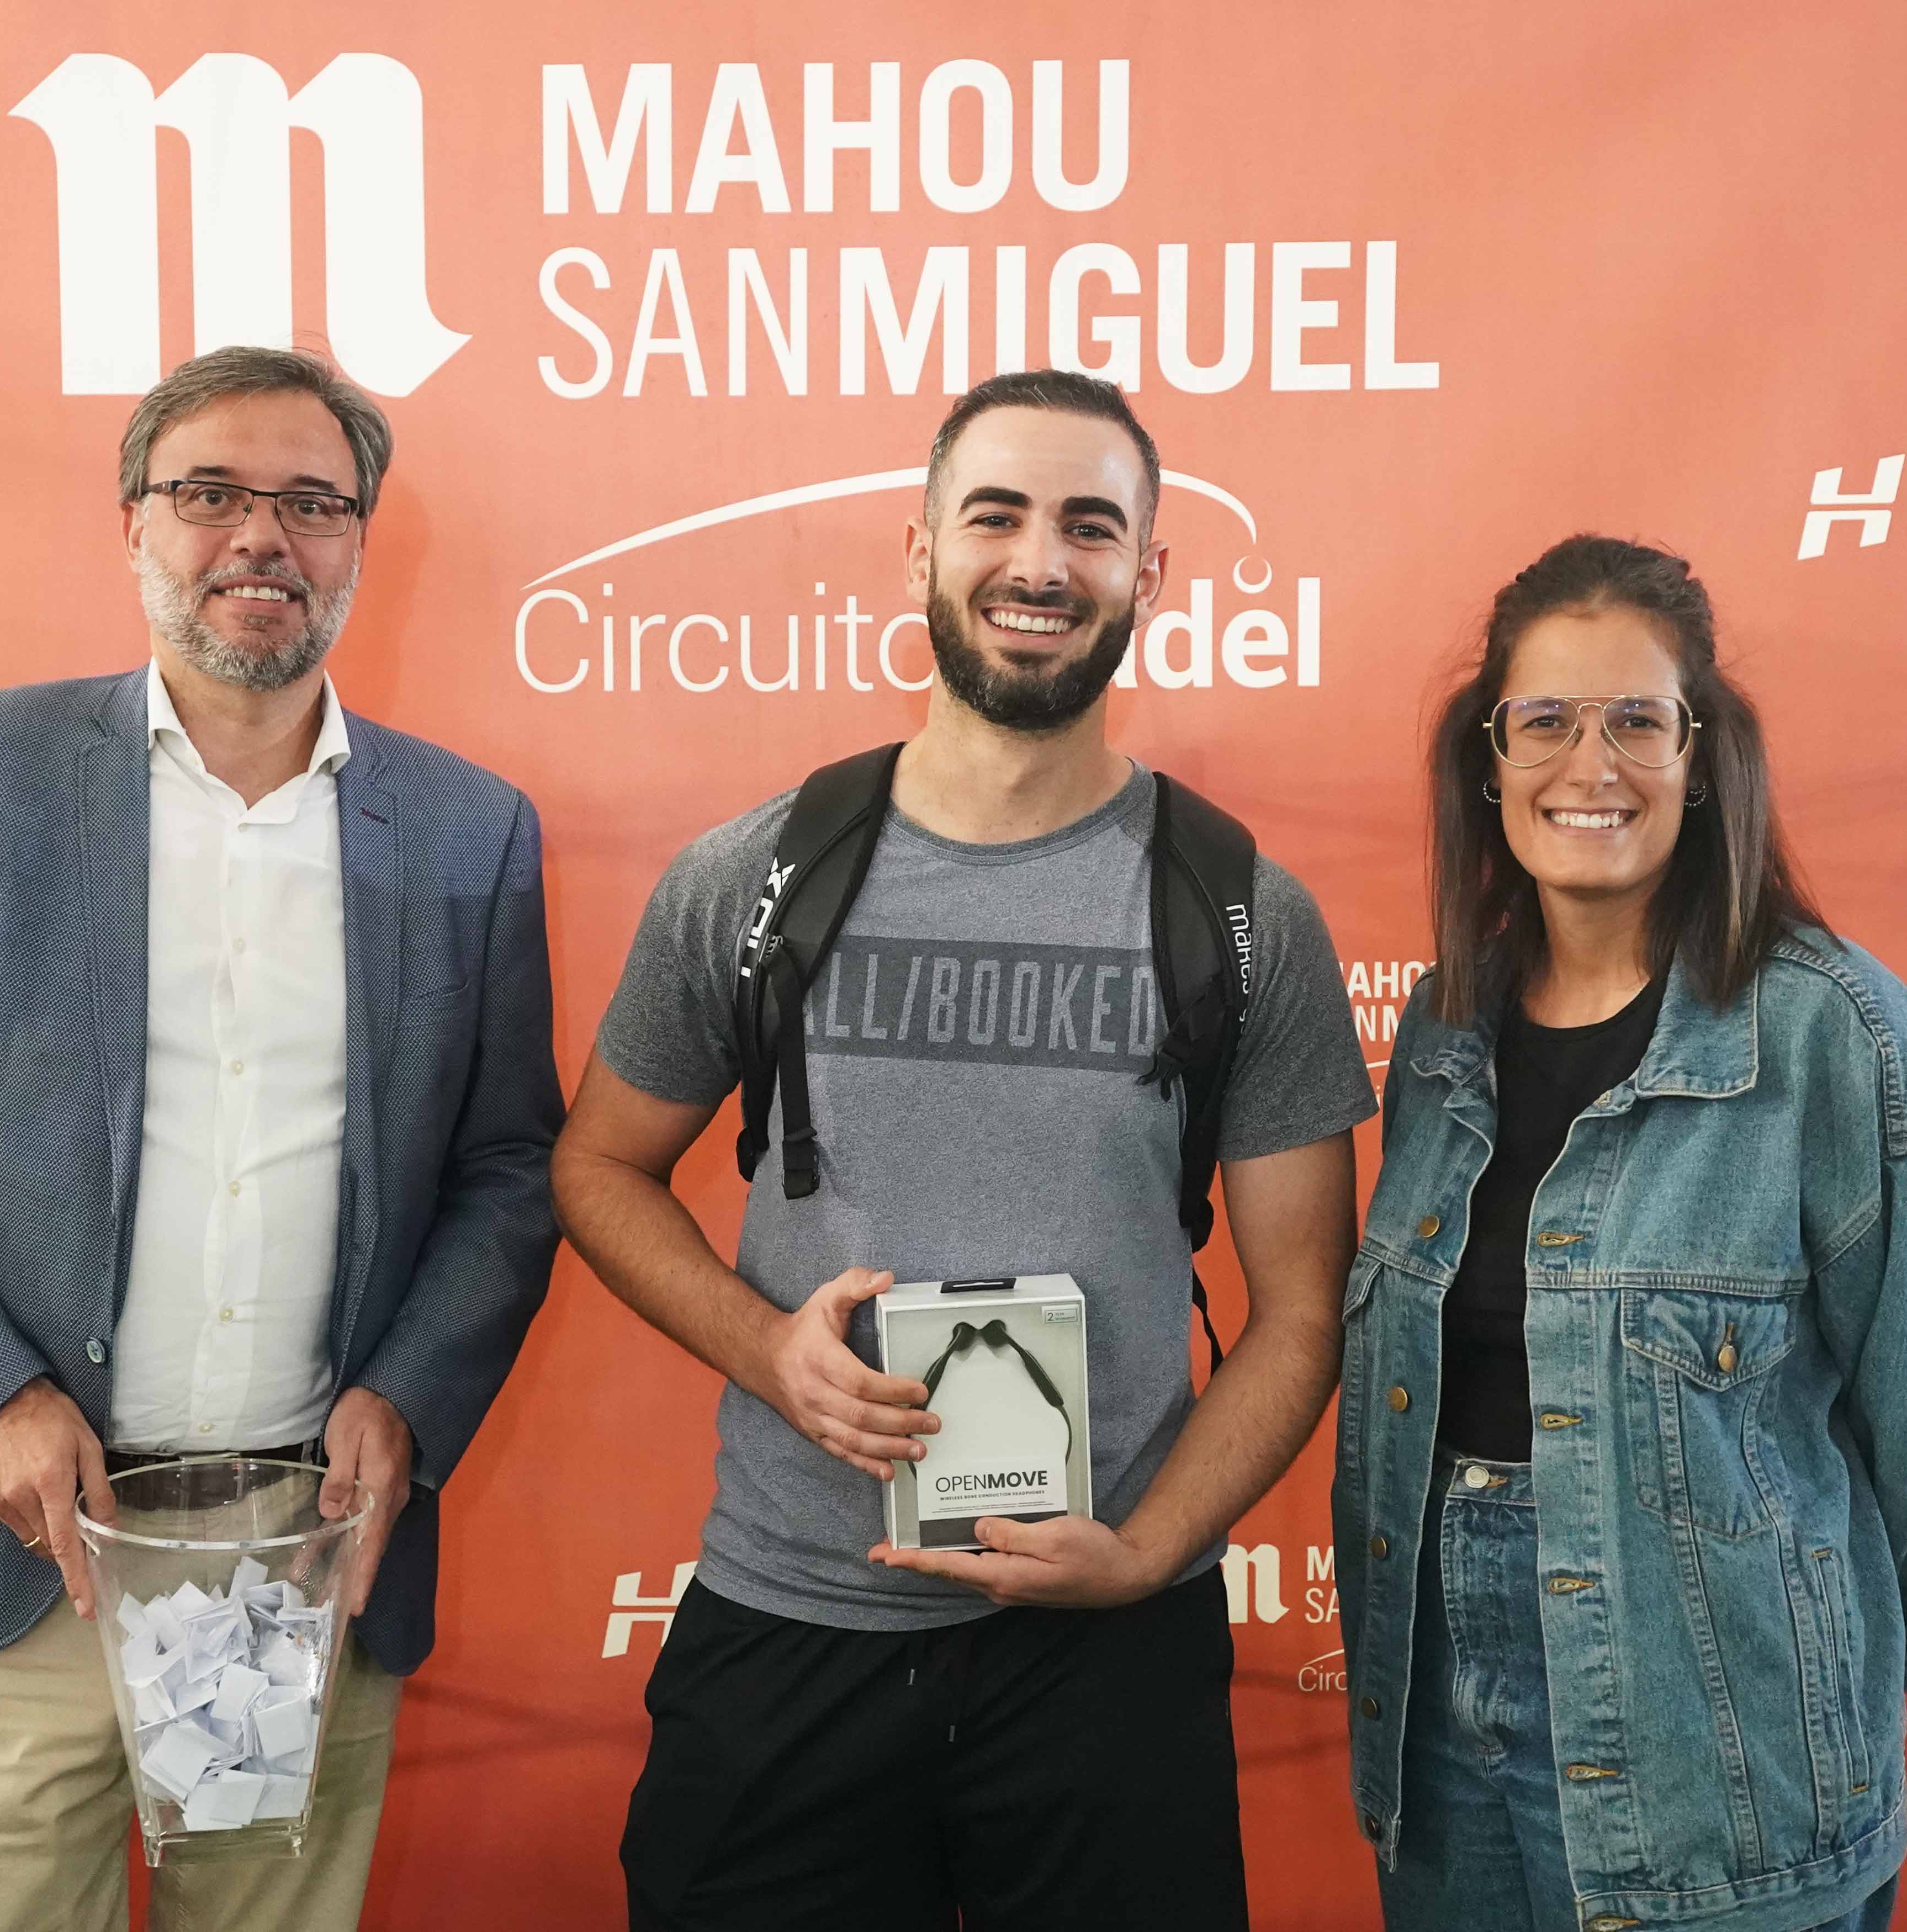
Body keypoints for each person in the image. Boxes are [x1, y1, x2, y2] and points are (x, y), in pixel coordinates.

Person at [554, 368, 1378, 1930]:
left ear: (1150, 572)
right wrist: (764, 1349)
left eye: (1091, 526)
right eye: (995, 516)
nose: (1040, 563)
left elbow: (1301, 1311)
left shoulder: (1242, 914)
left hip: (1106, 1654)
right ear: (920, 550)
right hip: (793, 1620)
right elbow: (597, 1166)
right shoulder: (752, 879)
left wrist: (1145, 1551)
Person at [0, 346, 562, 1932]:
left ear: (359, 540)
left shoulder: (470, 829)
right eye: (211, 493)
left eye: (312, 502)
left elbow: (507, 1168)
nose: (262, 535)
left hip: (298, 1556)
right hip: (28, 1551)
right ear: (133, 523)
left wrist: (412, 1393)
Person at [1334, 535, 1907, 1932]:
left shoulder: (1838, 1038)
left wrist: (1788, 1680)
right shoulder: (1443, 1028)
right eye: (1545, 719)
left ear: (1702, 757)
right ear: (1490, 760)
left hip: (1722, 1778)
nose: (1591, 764)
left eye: (1638, 720)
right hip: (1439, 1748)